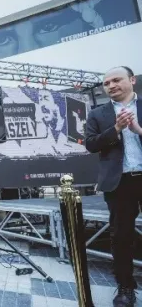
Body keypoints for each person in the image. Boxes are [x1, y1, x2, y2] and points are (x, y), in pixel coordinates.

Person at [85, 66, 140, 307]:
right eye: (106, 83)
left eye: (116, 80)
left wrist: (137, 130)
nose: (111, 86)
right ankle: (126, 287)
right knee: (121, 236)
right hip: (119, 182)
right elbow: (91, 144)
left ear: (132, 80)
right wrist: (116, 129)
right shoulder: (97, 114)